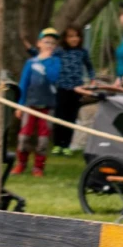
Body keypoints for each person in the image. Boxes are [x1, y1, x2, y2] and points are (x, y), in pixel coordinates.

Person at [13, 28, 60, 176]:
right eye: (46, 42)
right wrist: (20, 105)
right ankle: (21, 163)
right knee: (24, 136)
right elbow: (23, 84)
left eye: (53, 43)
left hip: (47, 105)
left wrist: (46, 61)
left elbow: (53, 78)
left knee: (43, 138)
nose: (49, 45)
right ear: (39, 43)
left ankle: (39, 167)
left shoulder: (56, 62)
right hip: (30, 104)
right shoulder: (30, 63)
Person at [51, 25, 94, 155]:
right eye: (71, 36)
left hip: (77, 89)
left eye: (77, 36)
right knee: (60, 116)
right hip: (62, 88)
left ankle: (67, 145)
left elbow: (89, 67)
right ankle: (57, 144)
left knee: (71, 117)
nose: (74, 39)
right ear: (65, 38)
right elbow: (46, 57)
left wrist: (92, 79)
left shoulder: (82, 52)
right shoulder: (59, 51)